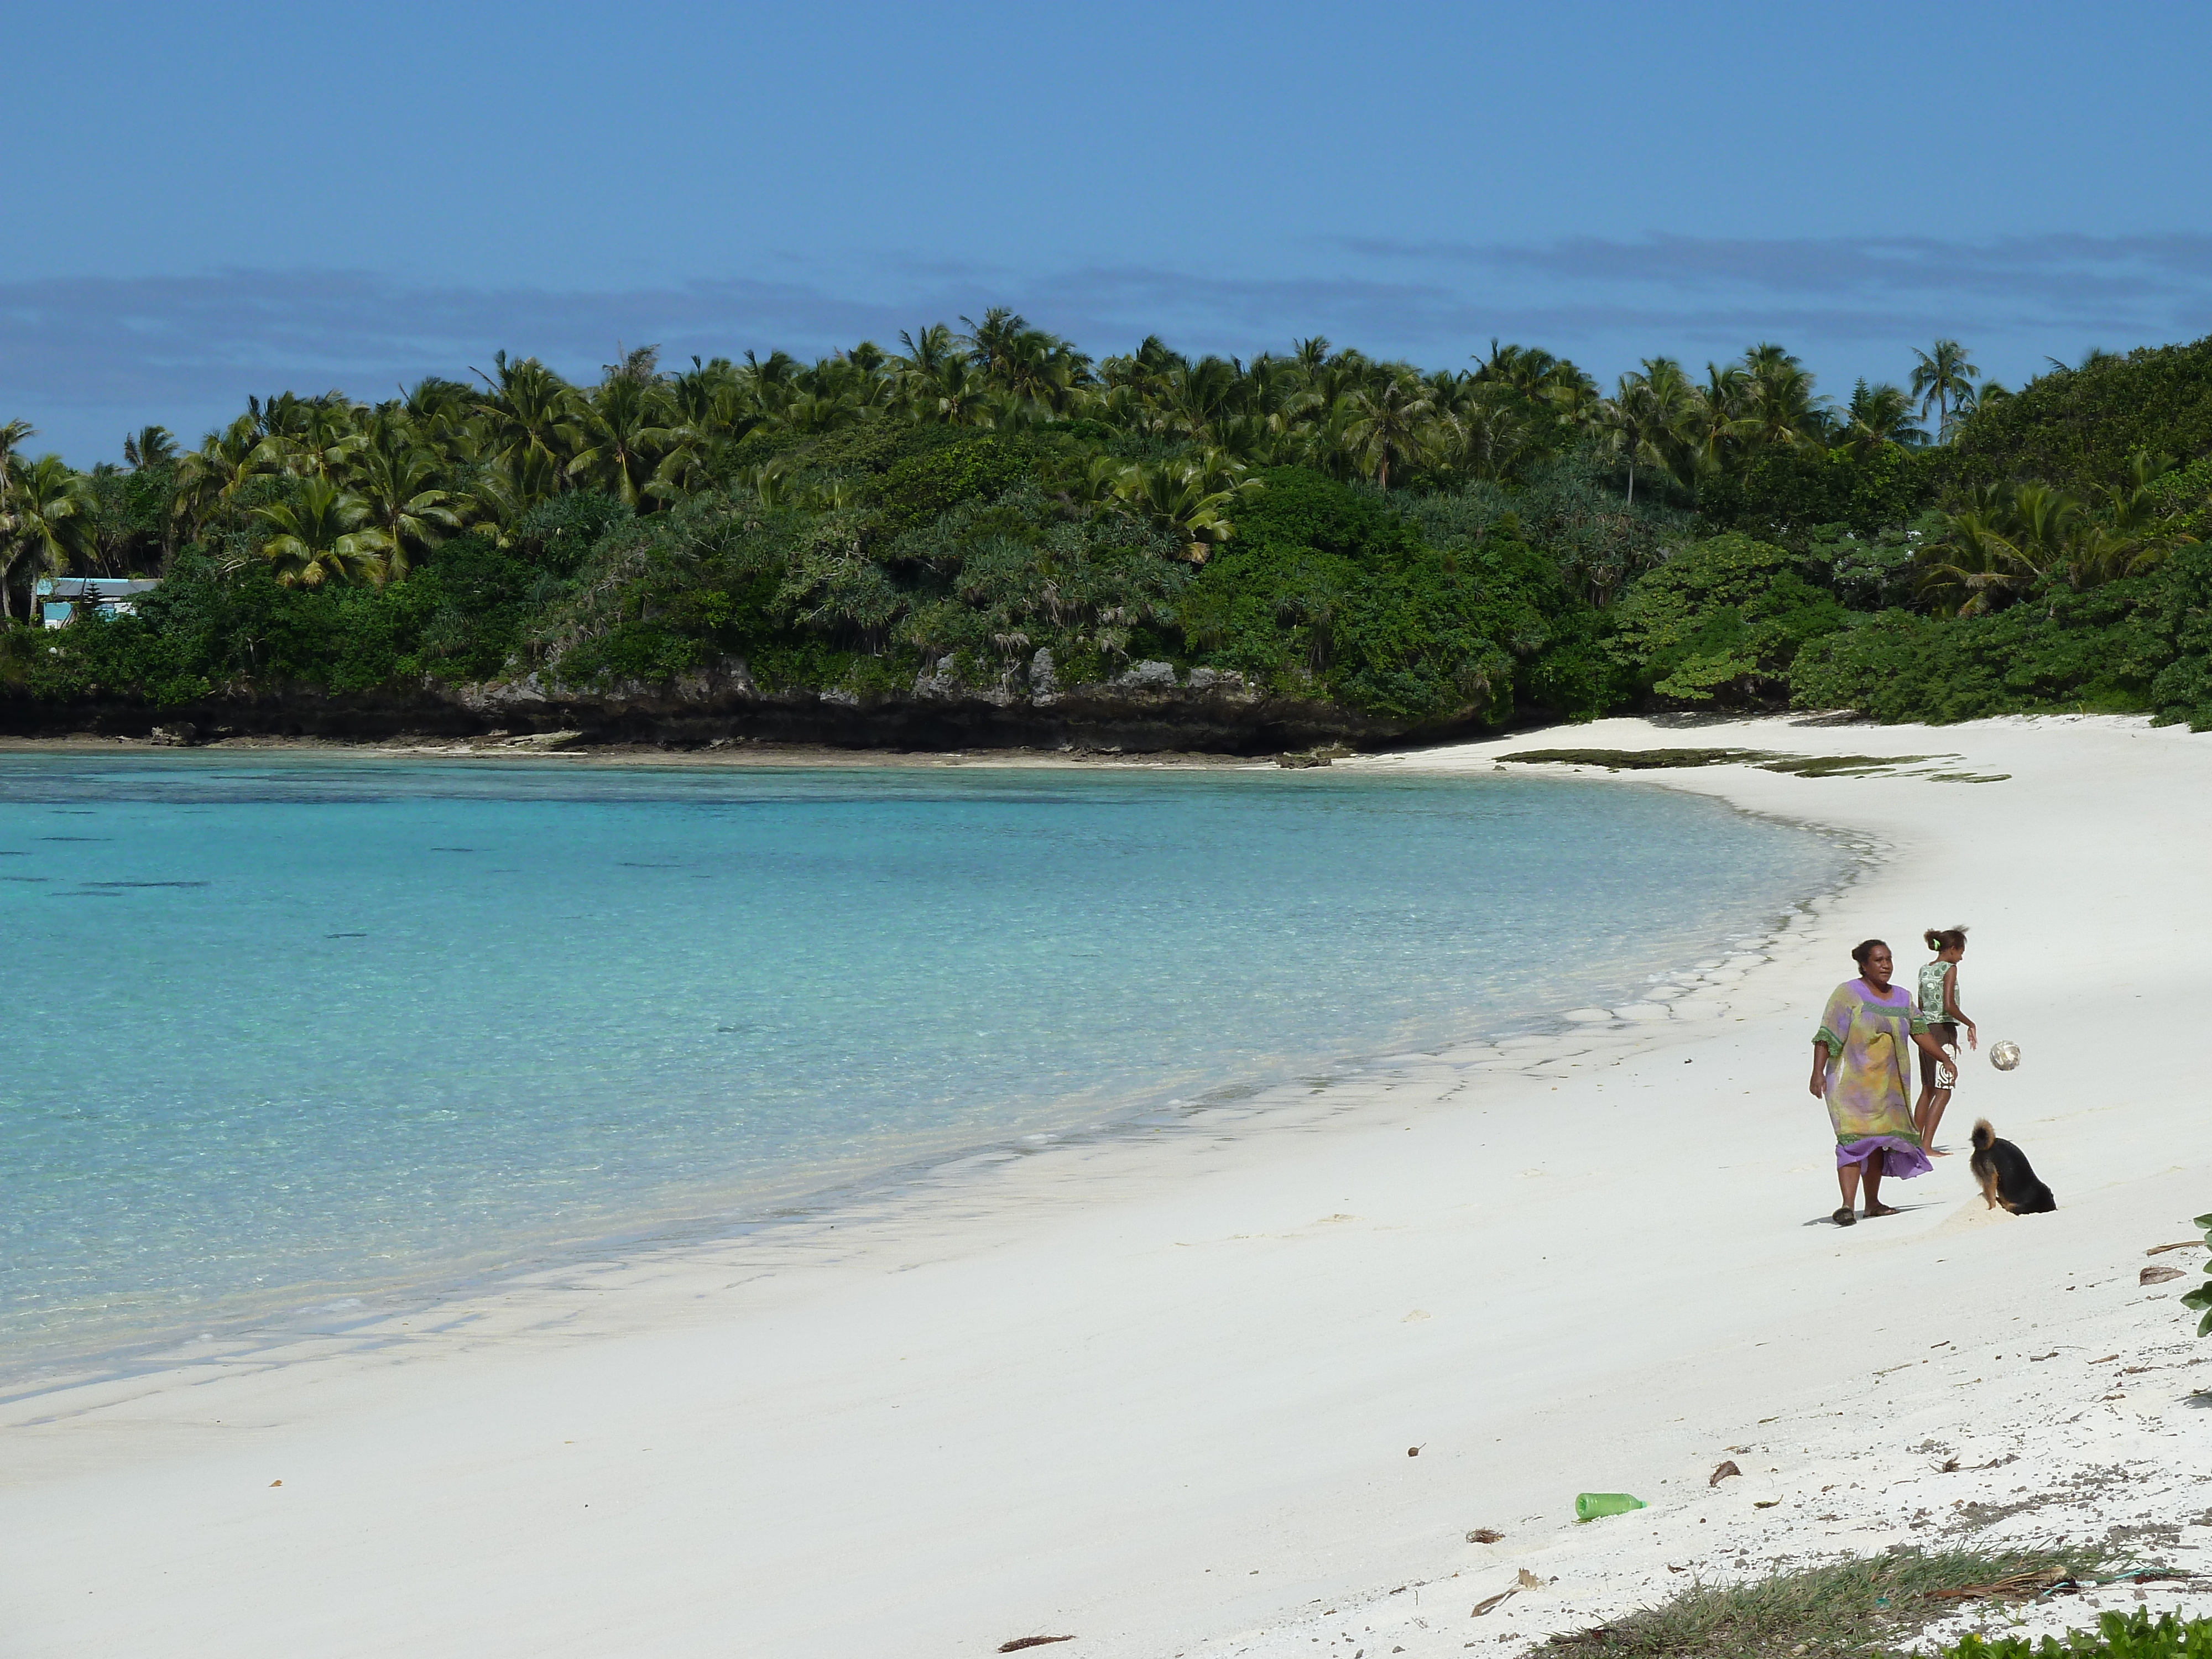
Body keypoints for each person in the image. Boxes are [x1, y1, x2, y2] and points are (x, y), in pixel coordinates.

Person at [1809, 940, 1955, 1225]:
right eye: (1878, 960)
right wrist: (1816, 1073)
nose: (1886, 965)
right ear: (1863, 965)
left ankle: (1873, 1203)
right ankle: (1847, 1206)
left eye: (1888, 959)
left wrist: (1944, 1059)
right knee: (1852, 1141)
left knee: (1876, 1143)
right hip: (1851, 1086)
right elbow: (1826, 1034)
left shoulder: (1902, 998)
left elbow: (1920, 1031)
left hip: (1889, 1088)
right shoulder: (1848, 994)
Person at [1910, 926, 1977, 1155]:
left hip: (1924, 1031)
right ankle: (1927, 1146)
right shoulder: (1950, 969)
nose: (1961, 956)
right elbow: (1949, 1005)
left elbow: (1920, 1007)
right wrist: (1970, 1024)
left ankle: (1915, 1142)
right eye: (1960, 951)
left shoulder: (1924, 970)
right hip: (1942, 1030)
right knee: (1944, 1089)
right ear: (1951, 949)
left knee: (1927, 1089)